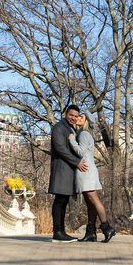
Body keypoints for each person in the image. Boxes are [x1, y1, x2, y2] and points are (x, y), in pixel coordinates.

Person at [68, 112, 116, 242]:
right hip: (87, 169)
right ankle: (91, 232)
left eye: (81, 117)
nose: (78, 118)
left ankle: (107, 228)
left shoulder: (83, 134)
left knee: (94, 200)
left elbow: (81, 152)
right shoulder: (84, 134)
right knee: (89, 203)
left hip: (86, 170)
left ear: (87, 121)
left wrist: (71, 139)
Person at [48, 104, 89, 243]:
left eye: (76, 116)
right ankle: (57, 232)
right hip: (61, 168)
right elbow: (61, 148)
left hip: (68, 169)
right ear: (65, 113)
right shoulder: (59, 127)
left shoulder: (70, 128)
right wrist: (77, 161)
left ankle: (61, 231)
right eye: (71, 115)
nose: (73, 118)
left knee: (63, 200)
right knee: (60, 200)